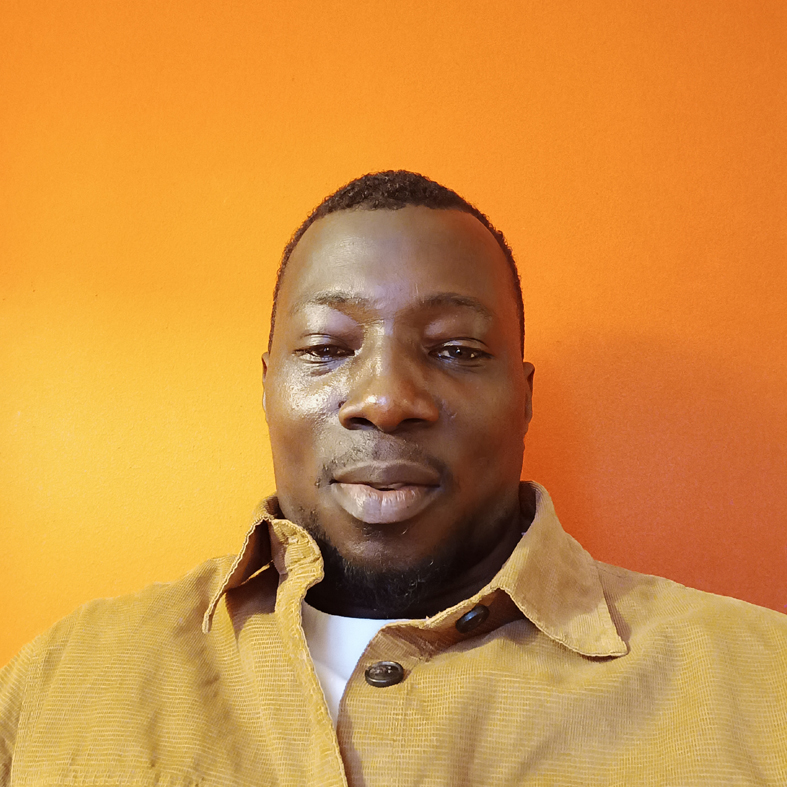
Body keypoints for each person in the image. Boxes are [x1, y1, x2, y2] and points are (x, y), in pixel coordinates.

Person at [1, 170, 785, 786]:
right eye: (326, 348)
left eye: (456, 349)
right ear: (267, 387)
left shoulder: (760, 685)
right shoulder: (64, 677)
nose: (384, 399)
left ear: (524, 399)